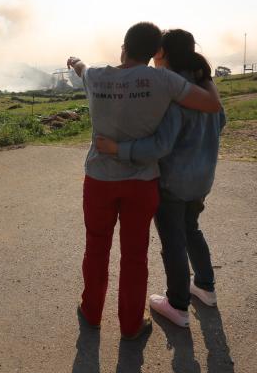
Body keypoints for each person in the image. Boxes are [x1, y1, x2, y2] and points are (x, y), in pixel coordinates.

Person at [67, 22, 222, 340]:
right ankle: (131, 324)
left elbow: (81, 68)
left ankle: (92, 312)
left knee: (96, 248)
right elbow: (211, 106)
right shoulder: (163, 80)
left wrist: (74, 60)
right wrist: (204, 72)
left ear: (123, 46)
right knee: (135, 256)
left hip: (99, 179)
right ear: (155, 53)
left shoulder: (96, 76)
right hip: (142, 182)